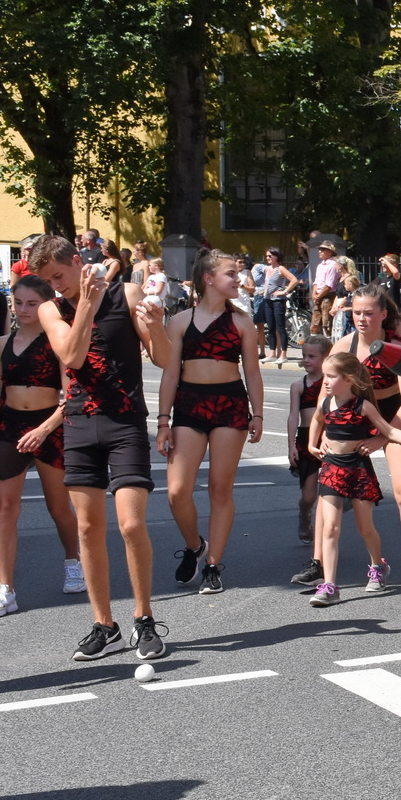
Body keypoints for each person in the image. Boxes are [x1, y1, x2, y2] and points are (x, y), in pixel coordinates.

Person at [32, 235, 172, 661]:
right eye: (48, 280)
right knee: (89, 529)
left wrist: (158, 323)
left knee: (131, 525)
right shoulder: (50, 308)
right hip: (78, 424)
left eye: (59, 275)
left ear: (77, 261)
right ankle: (103, 623)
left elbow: (163, 358)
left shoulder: (126, 292)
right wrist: (86, 306)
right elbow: (71, 357)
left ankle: (144, 618)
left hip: (125, 421)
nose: (56, 285)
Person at [156, 251, 265, 596]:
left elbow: (252, 372)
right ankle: (194, 546)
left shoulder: (242, 322)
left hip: (229, 405)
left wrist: (257, 414)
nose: (237, 279)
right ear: (208, 278)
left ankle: (213, 564)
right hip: (188, 405)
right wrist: (162, 421)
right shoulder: (180, 321)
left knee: (221, 487)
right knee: (177, 491)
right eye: (231, 274)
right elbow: (170, 373)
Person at [304, 351, 401, 606]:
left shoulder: (363, 405)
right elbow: (316, 419)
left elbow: (389, 430)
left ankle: (377, 566)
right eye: (324, 375)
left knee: (365, 528)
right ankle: (330, 586)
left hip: (358, 470)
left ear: (348, 379)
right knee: (330, 528)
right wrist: (312, 445)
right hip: (332, 470)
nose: (324, 380)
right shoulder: (326, 402)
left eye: (330, 376)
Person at [0, 275, 82, 617]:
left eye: (32, 303)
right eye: (19, 303)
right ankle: (6, 588)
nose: (24, 309)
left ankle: (73, 560)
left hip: (50, 427)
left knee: (59, 507)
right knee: (4, 508)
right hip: (9, 428)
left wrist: (44, 430)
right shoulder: (1, 343)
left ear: (46, 304)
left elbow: (72, 395)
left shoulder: (56, 342)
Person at [335, 285, 401, 589]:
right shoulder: (342, 346)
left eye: (369, 313)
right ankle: (341, 564)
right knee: (339, 493)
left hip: (395, 417)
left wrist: (383, 438)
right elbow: (328, 393)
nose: (362, 319)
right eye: (357, 312)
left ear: (383, 314)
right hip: (356, 416)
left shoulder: (398, 348)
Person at [287, 335, 332, 553]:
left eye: (311, 356)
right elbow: (293, 416)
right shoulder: (298, 385)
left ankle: (325, 537)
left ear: (326, 358)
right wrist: (291, 446)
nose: (306, 360)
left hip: (330, 438)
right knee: (308, 497)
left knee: (330, 493)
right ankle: (304, 514)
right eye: (304, 356)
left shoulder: (332, 383)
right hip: (306, 440)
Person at [256, 247, 299, 365]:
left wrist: (284, 291)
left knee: (280, 327)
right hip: (268, 300)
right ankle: (272, 353)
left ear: (276, 256)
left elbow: (294, 280)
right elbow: (267, 282)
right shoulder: (267, 269)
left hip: (278, 301)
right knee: (270, 327)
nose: (268, 258)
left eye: (270, 256)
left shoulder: (281, 269)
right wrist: (265, 292)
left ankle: (283, 354)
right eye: (267, 256)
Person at [310, 238, 341, 335]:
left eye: (322, 250)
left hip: (327, 297)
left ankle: (328, 345)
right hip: (319, 296)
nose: (319, 252)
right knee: (314, 324)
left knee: (326, 324)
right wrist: (314, 294)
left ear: (329, 251)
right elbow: (316, 281)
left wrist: (318, 296)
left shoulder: (332, 265)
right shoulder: (320, 265)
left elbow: (329, 285)